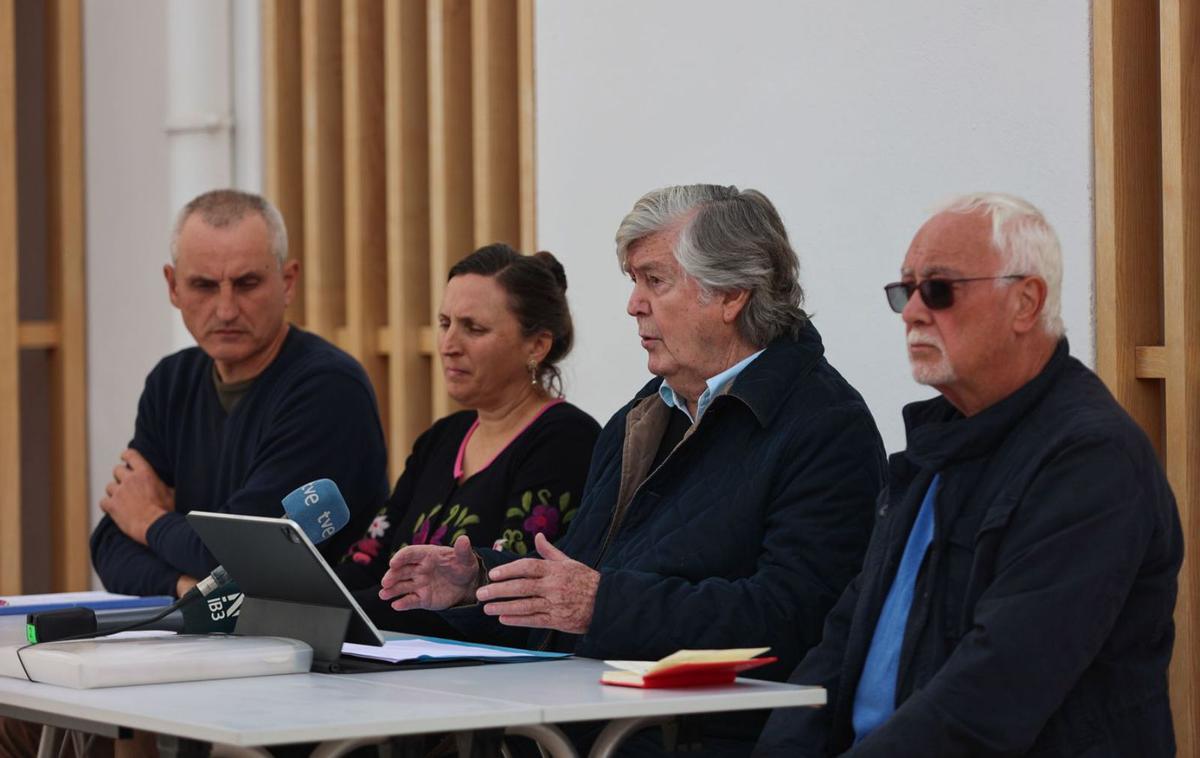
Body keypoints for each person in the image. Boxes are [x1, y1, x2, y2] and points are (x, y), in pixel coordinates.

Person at [380, 184, 887, 753]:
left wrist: (601, 605)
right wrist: (478, 585)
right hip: (574, 728)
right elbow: (578, 584)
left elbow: (794, 618)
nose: (633, 304)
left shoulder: (824, 425)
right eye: (633, 282)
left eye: (655, 280)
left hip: (692, 738)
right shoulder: (640, 417)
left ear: (732, 293)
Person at [756, 193, 1182, 757]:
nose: (912, 312)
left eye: (939, 289)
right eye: (905, 291)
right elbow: (841, 644)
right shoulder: (937, 446)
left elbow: (994, 691)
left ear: (1025, 302)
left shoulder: (1091, 460)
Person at [90, 189, 389, 599]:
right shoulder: (170, 382)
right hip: (209, 641)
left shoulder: (328, 389)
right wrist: (191, 589)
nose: (226, 309)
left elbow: (248, 555)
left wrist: (149, 521)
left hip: (317, 651)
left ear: (288, 282)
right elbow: (109, 546)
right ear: (173, 287)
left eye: (246, 283)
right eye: (204, 285)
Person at [335, 244, 600, 629]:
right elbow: (370, 561)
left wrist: (342, 620)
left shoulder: (566, 441)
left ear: (536, 345)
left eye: (473, 328)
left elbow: (505, 591)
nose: (448, 345)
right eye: (445, 324)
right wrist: (310, 606)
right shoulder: (442, 437)